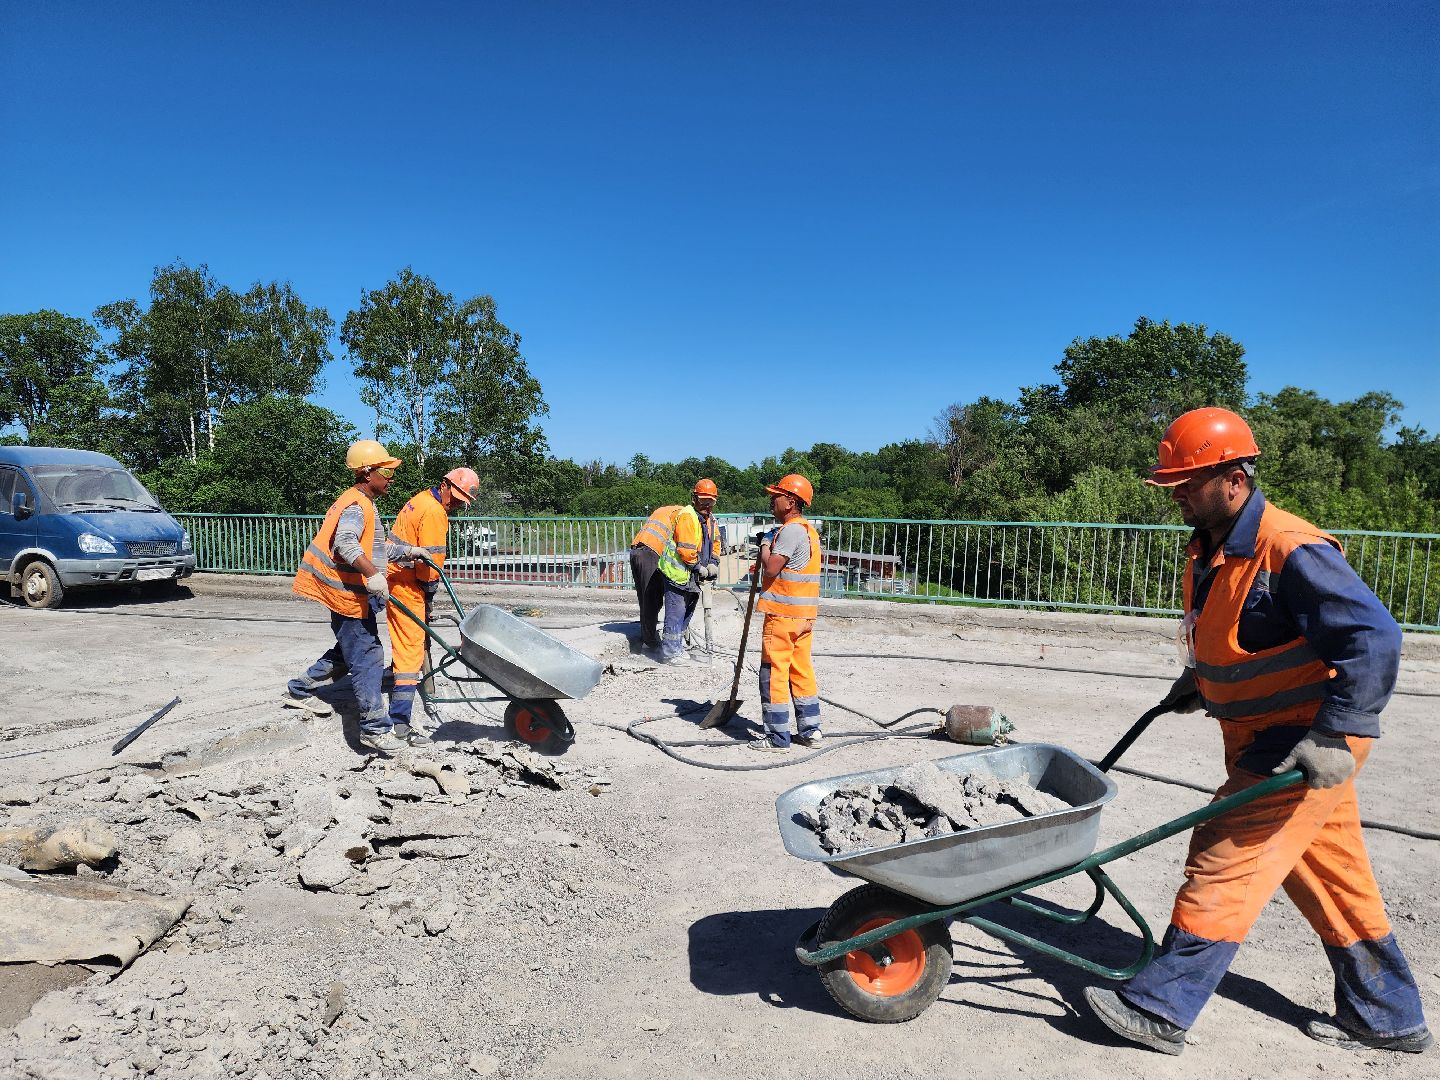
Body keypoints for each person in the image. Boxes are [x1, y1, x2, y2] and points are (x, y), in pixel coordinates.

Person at [1083, 407, 1431, 1056]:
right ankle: (1387, 1015)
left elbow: (1374, 637)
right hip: (1261, 733)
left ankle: (1161, 1007)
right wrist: (1201, 680)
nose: (1177, 495)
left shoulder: (1290, 547)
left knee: (1226, 855)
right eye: (1173, 485)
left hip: (1305, 741)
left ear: (1235, 477)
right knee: (1333, 879)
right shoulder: (1211, 545)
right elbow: (1242, 629)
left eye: (1187, 483)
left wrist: (1337, 733)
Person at [284, 439, 429, 755]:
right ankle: (375, 728)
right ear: (367, 472)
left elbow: (376, 549)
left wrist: (409, 552)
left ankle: (299, 688)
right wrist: (373, 575)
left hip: (351, 594)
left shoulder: (361, 502)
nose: (391, 479)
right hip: (345, 594)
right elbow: (346, 545)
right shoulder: (355, 506)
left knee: (348, 649)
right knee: (368, 655)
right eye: (386, 473)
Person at [383, 466, 480, 746]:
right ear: (445, 485)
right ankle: (399, 724)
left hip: (398, 578)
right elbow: (429, 568)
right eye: (457, 498)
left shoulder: (422, 499)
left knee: (407, 647)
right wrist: (428, 595)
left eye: (463, 502)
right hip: (406, 584)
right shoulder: (436, 512)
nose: (457, 504)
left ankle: (387, 688)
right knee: (410, 655)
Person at [749, 474, 822, 753]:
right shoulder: (808, 531)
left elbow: (771, 568)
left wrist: (765, 544)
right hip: (804, 616)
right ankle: (810, 731)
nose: (771, 500)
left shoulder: (790, 531)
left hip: (782, 615)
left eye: (776, 496)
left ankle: (777, 737)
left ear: (791, 501)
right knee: (800, 670)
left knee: (773, 673)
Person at [654, 479, 722, 663]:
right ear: (694, 499)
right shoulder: (687, 516)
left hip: (693, 576)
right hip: (679, 574)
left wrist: (713, 562)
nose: (707, 505)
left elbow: (716, 543)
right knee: (676, 612)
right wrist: (699, 567)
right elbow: (685, 549)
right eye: (703, 501)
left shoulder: (711, 520)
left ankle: (678, 646)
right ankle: (670, 653)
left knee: (687, 612)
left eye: (711, 502)